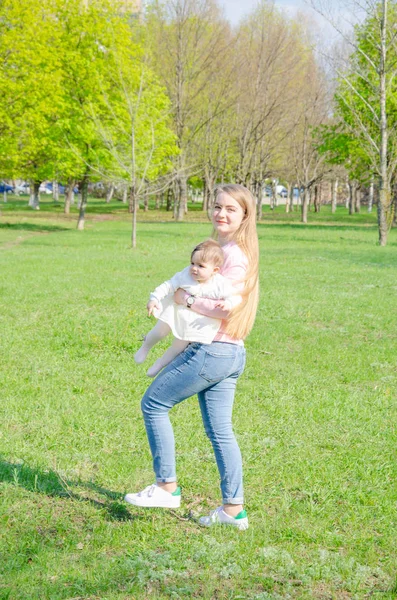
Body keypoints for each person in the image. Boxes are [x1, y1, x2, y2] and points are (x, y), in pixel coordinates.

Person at [125, 184, 259, 530]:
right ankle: (234, 511)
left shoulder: (235, 257)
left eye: (231, 209)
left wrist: (183, 299)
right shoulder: (223, 249)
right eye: (217, 207)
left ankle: (166, 486)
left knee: (153, 404)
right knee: (220, 432)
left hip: (213, 350)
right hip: (229, 353)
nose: (221, 214)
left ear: (245, 215)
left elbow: (224, 309)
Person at [134, 239, 241, 377]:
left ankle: (160, 364)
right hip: (176, 310)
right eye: (192, 263)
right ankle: (146, 346)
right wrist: (154, 298)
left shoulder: (219, 284)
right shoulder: (186, 275)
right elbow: (169, 285)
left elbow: (236, 297)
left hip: (195, 320)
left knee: (179, 346)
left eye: (201, 266)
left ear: (214, 270)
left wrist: (228, 303)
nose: (194, 268)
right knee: (159, 331)